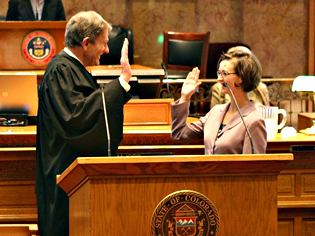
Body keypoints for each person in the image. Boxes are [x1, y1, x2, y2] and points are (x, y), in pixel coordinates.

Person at [36, 11, 132, 236]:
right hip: (65, 177)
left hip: (69, 174)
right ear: (86, 43)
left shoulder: (71, 68)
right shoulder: (62, 69)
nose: (107, 50)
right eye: (104, 44)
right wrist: (121, 82)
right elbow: (78, 117)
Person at [171, 50, 267, 154]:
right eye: (219, 73)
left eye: (224, 74)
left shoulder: (254, 121)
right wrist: (185, 97)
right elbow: (179, 133)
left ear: (241, 78)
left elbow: (251, 167)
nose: (219, 79)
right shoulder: (216, 112)